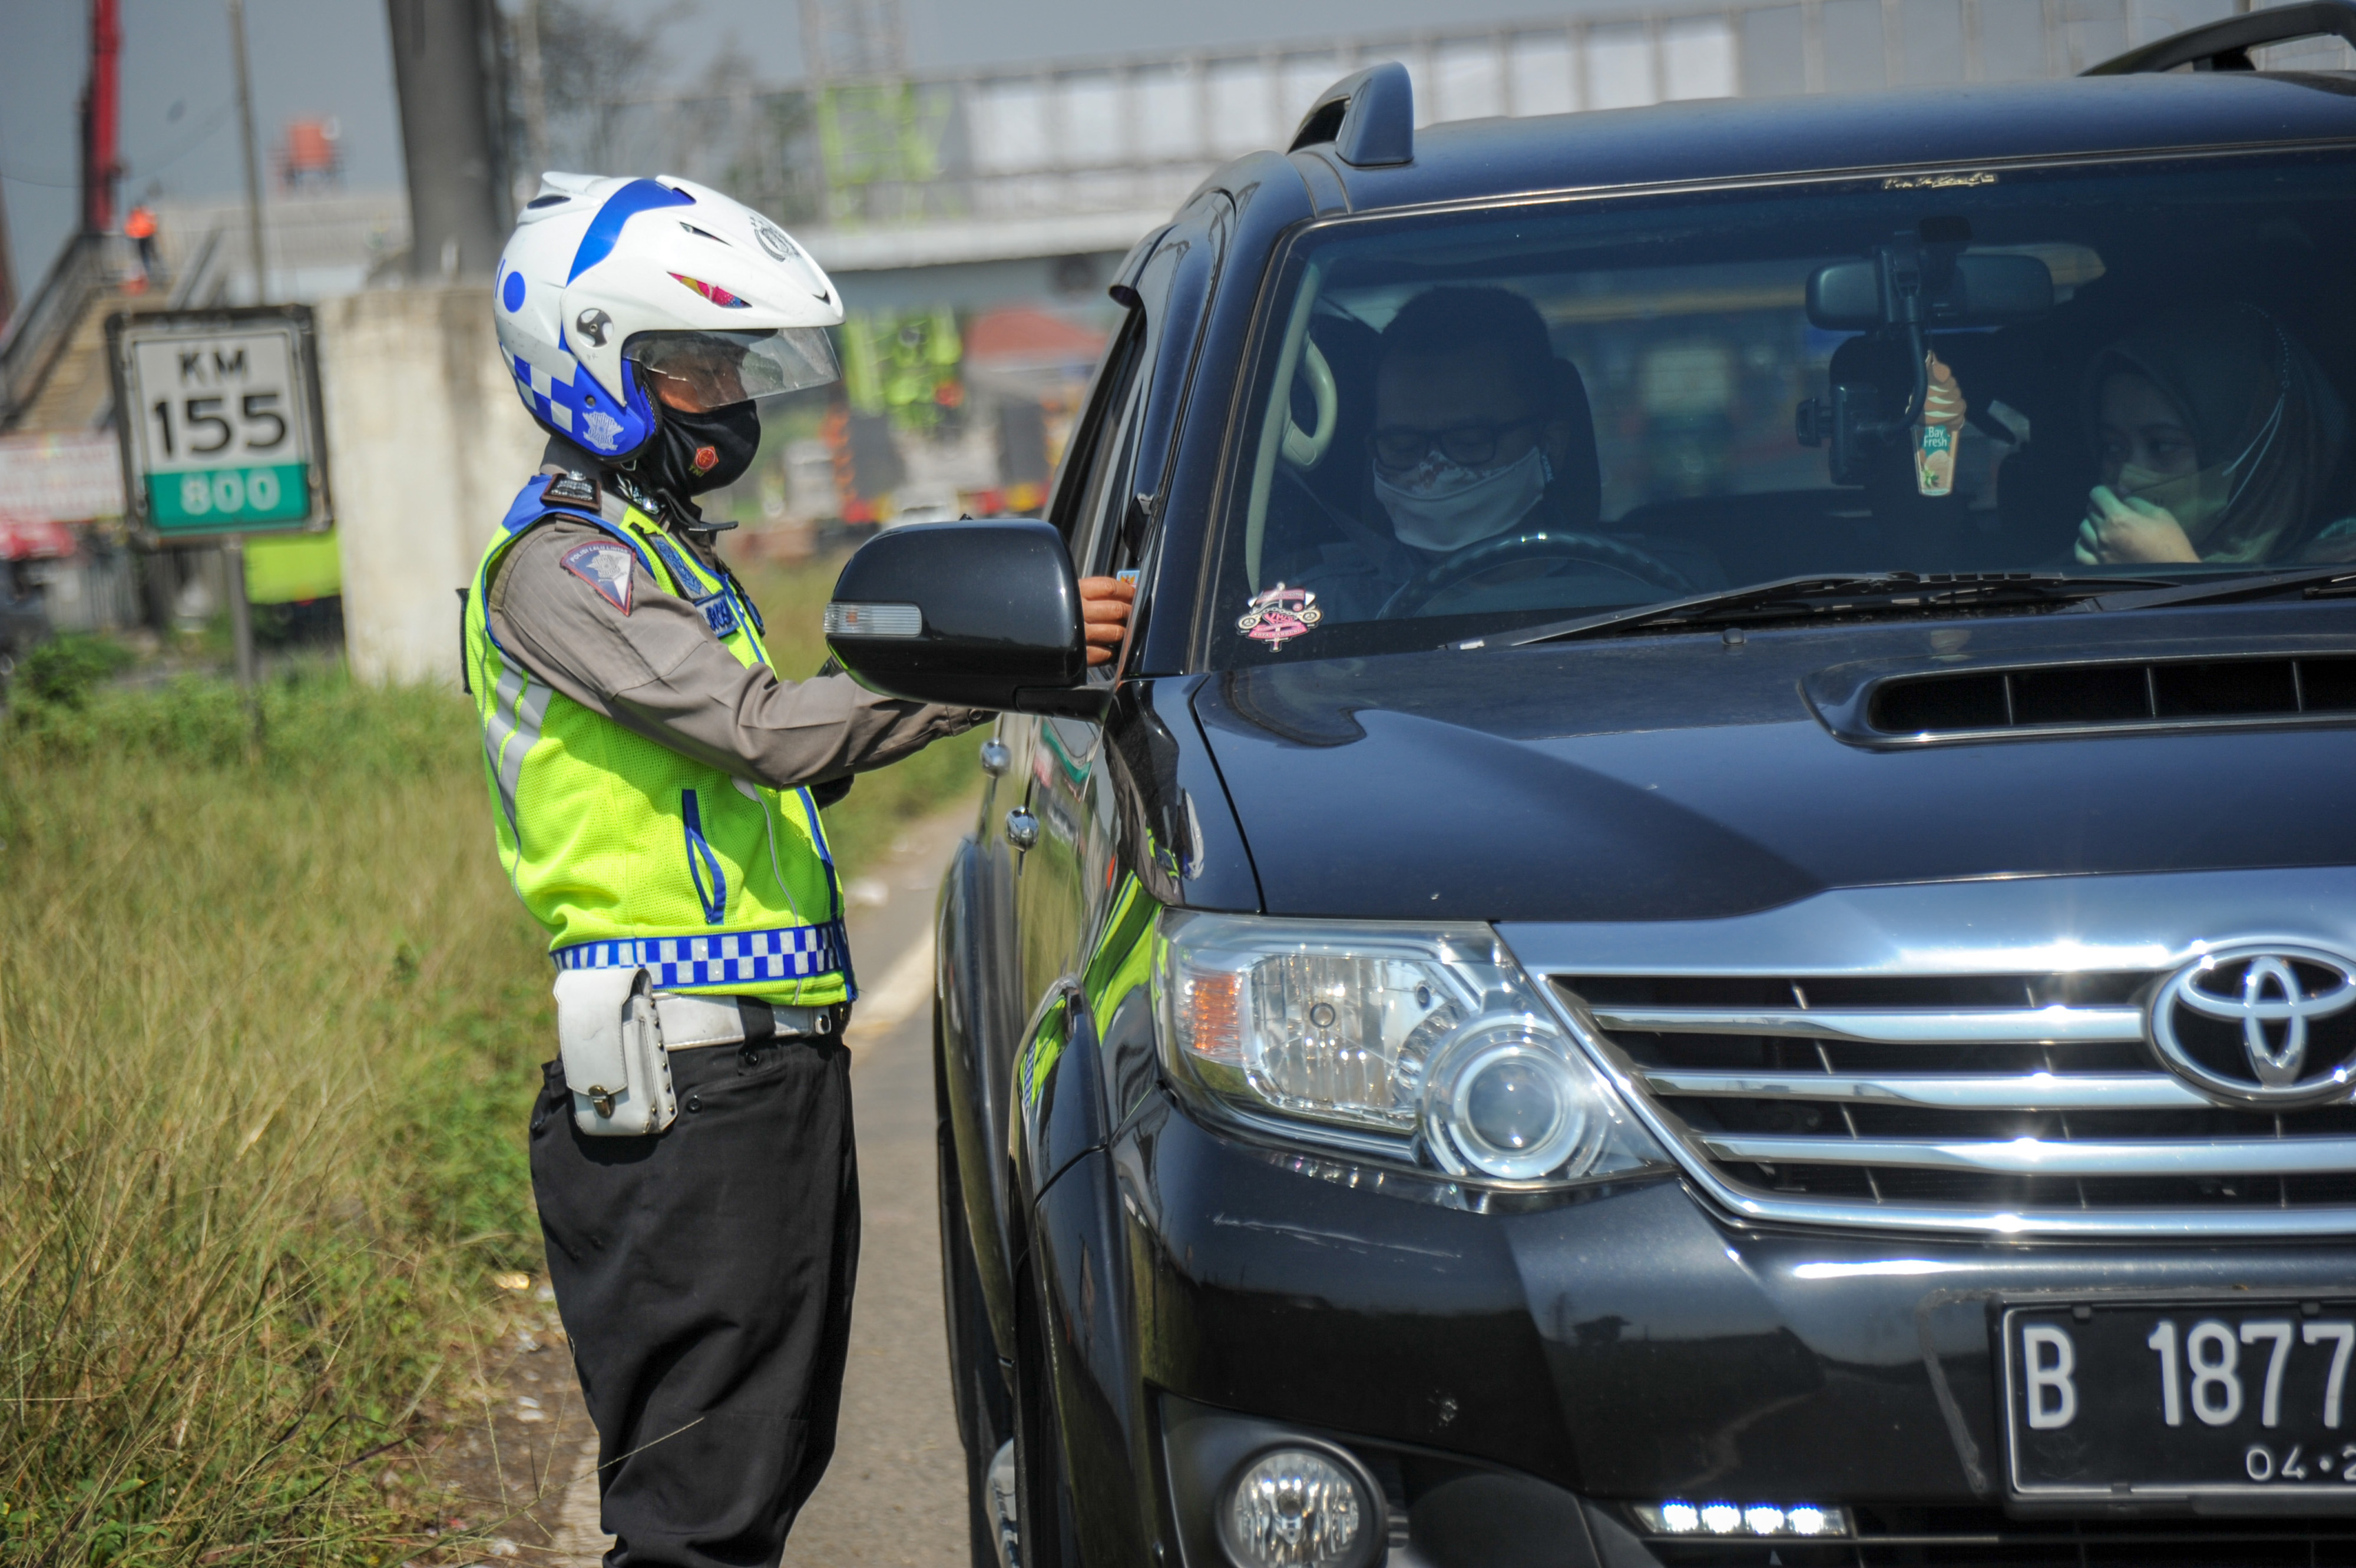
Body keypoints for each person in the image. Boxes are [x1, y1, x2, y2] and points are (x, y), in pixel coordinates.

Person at [470, 172, 1130, 1568]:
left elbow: (798, 754)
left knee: (760, 1475)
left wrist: (962, 636)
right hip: (682, 1085)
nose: (725, 394)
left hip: (762, 1069)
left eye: (729, 363)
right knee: (696, 1511)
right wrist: (1012, 661)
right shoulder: (559, 571)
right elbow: (765, 735)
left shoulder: (662, 557)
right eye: (692, 364)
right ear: (594, 366)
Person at [1276, 287, 1607, 619]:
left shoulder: (1641, 597)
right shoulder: (1321, 614)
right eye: (1403, 446)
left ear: (1550, 444)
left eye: (1470, 440)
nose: (1432, 472)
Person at [2063, 302, 2348, 566]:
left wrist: (2172, 570)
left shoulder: (2338, 568)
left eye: (2162, 445)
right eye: (2113, 448)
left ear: (2251, 450)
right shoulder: (2060, 578)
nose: (2128, 477)